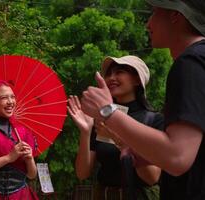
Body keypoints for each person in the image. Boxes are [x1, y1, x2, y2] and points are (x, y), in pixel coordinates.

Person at [80, 0, 205, 199]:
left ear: (176, 16)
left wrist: (107, 111)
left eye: (154, 13)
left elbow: (178, 157)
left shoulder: (190, 63)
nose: (148, 24)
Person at [69, 55, 163, 200]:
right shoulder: (102, 119)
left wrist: (116, 137)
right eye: (109, 74)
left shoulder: (153, 120)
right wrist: (85, 132)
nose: (111, 78)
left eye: (119, 72)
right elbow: (82, 173)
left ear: (137, 80)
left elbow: (151, 177)